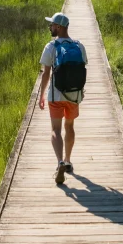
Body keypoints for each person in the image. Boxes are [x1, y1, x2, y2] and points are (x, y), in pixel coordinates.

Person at [39, 12, 87, 185]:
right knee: (70, 126)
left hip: (56, 95)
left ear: (58, 27)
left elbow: (46, 75)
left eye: (51, 24)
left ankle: (59, 161)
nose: (50, 27)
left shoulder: (51, 47)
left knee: (55, 130)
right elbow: (82, 68)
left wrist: (42, 95)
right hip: (74, 95)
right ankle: (67, 161)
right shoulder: (79, 46)